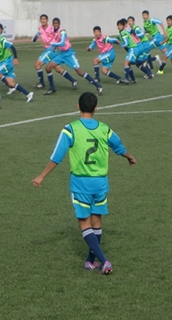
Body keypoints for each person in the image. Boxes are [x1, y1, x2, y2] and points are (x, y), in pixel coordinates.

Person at [32, 92, 137, 275]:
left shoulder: (70, 129)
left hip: (81, 183)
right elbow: (118, 145)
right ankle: (90, 261)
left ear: (78, 106)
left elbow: (57, 156)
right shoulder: (105, 128)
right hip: (101, 183)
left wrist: (42, 176)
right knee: (96, 221)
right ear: (96, 108)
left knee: (84, 223)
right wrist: (129, 157)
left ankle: (104, 261)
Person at [45, 20, 103, 95]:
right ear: (52, 24)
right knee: (48, 68)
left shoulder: (62, 31)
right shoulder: (54, 31)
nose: (55, 25)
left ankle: (98, 86)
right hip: (62, 54)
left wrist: (52, 43)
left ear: (59, 24)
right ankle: (52, 88)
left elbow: (62, 42)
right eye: (54, 23)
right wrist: (55, 46)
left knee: (80, 72)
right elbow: (59, 42)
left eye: (57, 23)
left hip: (69, 54)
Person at [0, 26, 33, 102]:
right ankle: (28, 94)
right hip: (4, 62)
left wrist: (16, 58)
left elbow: (12, 47)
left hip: (7, 62)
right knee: (11, 84)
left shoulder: (1, 40)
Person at [32, 15, 77, 91]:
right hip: (49, 50)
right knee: (57, 68)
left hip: (51, 50)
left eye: (44, 19)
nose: (43, 21)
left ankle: (41, 83)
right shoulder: (40, 29)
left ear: (47, 20)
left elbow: (58, 33)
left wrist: (57, 42)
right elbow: (34, 39)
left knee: (37, 64)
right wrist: (35, 37)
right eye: (41, 19)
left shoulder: (51, 28)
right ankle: (73, 80)